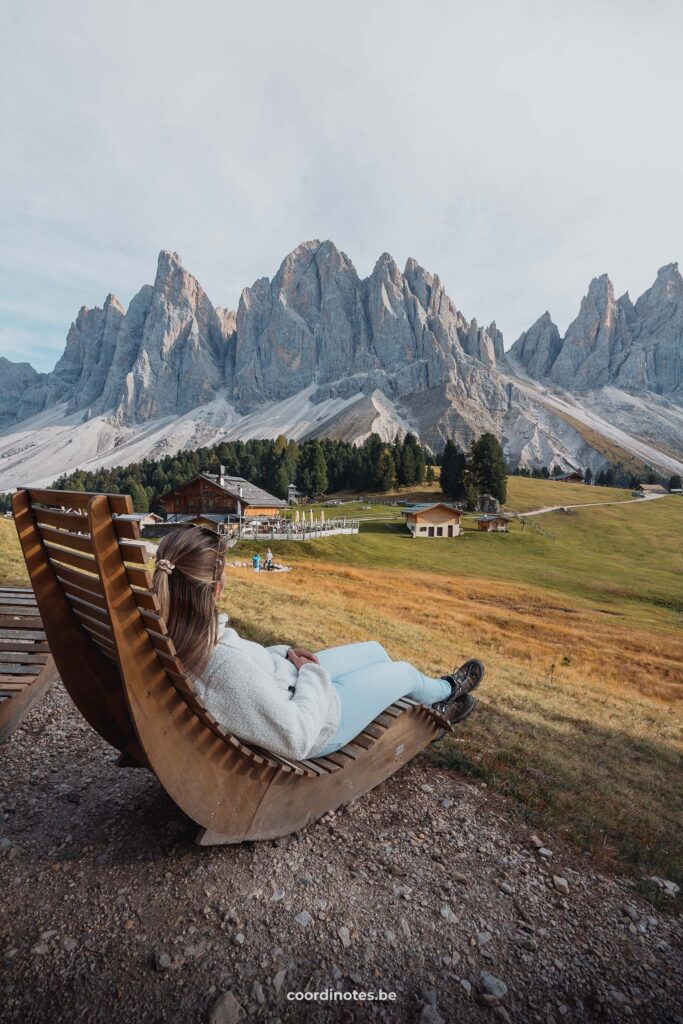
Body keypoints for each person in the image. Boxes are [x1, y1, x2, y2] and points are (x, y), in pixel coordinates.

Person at [152, 523, 484, 763]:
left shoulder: (180, 631)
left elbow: (247, 670)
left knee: (375, 651)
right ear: (214, 591)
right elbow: (297, 735)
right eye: (223, 574)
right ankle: (446, 691)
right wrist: (311, 673)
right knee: (405, 673)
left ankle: (433, 701)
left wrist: (283, 654)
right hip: (319, 719)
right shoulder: (222, 665)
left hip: (290, 681)